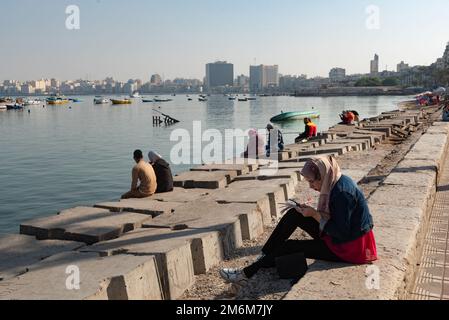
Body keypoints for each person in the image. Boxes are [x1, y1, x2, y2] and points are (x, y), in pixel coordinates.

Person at [219, 156, 378, 285]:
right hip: (342, 238)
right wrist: (310, 213)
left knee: (290, 246)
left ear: (323, 176)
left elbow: (341, 233)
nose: (310, 186)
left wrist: (315, 215)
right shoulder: (334, 181)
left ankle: (245, 274)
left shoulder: (342, 193)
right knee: (295, 214)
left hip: (352, 248)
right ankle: (264, 255)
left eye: (312, 181)